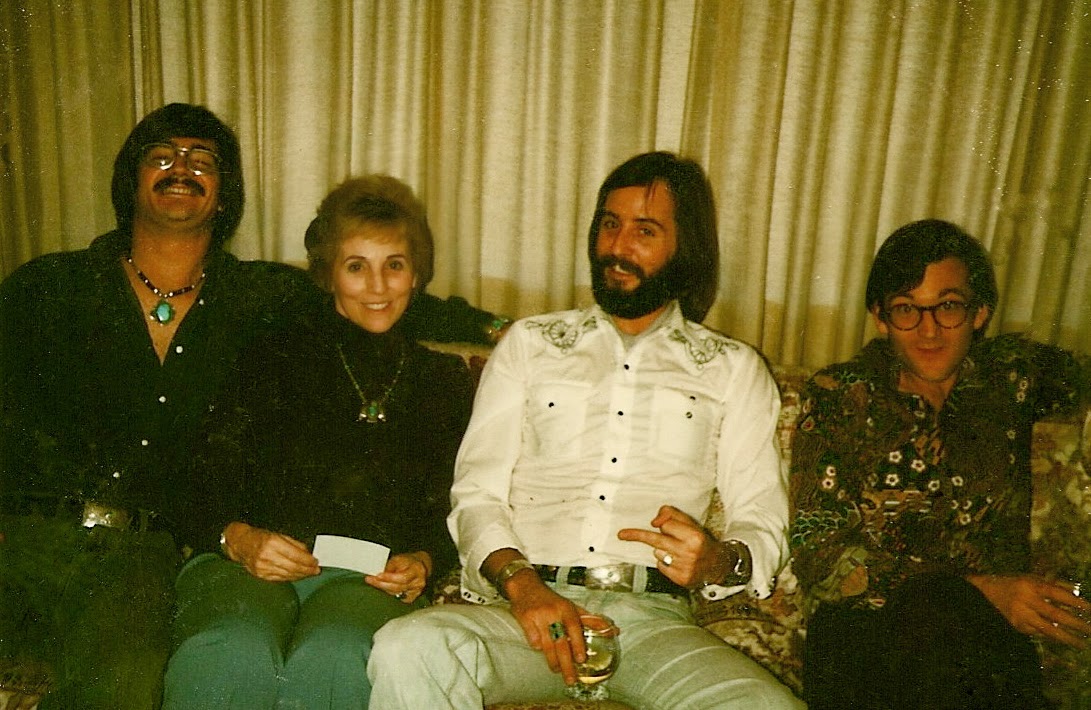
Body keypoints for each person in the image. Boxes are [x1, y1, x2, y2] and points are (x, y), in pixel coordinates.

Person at [367, 151, 803, 709]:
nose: (618, 247)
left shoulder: (732, 368)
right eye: (609, 224)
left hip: (654, 624)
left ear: (686, 247)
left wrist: (717, 562)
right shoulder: (531, 345)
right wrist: (525, 589)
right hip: (528, 612)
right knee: (408, 646)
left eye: (645, 231)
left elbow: (762, 516)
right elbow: (476, 493)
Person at [0, 103, 322, 710]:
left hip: (136, 553)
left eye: (204, 162)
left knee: (123, 681)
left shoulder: (264, 299)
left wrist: (493, 326)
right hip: (22, 534)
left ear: (224, 196)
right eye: (162, 157)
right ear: (131, 182)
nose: (182, 169)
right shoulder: (49, 286)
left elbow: (375, 297)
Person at [163, 175, 473, 709]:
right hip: (244, 566)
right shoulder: (270, 354)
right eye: (356, 267)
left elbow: (453, 500)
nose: (377, 286)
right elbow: (199, 475)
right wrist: (240, 538)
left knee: (339, 652)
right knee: (234, 646)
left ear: (416, 274)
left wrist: (423, 558)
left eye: (394, 265)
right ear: (329, 275)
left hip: (364, 580)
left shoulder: (442, 381)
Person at [790, 218, 1091, 709]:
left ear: (979, 313)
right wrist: (984, 591)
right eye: (907, 309)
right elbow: (818, 553)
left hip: (985, 647)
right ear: (880, 318)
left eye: (948, 306)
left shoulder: (1012, 378)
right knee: (936, 605)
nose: (928, 331)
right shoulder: (838, 396)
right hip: (864, 639)